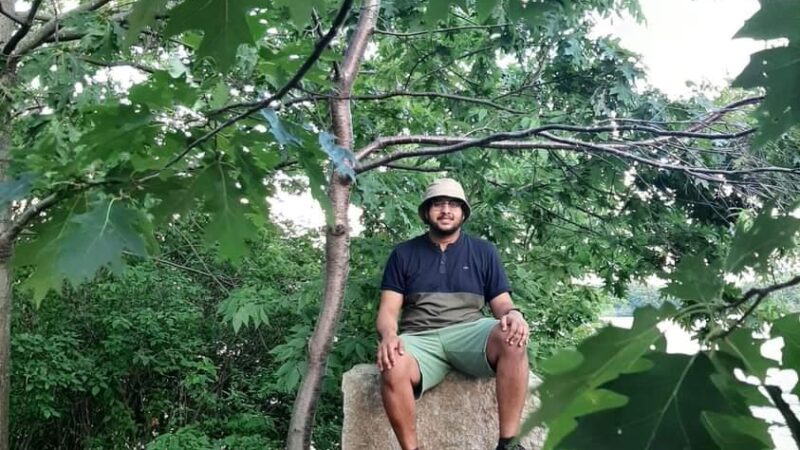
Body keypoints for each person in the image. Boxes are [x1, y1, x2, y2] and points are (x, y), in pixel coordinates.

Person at [376, 178, 530, 450]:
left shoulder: (484, 251)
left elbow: (502, 303)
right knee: (393, 363)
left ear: (463, 212)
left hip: (469, 332)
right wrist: (389, 335)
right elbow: (388, 310)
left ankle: (508, 443)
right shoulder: (403, 253)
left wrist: (514, 314)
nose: (446, 210)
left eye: (453, 204)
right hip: (420, 339)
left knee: (512, 336)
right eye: (438, 204)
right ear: (427, 212)